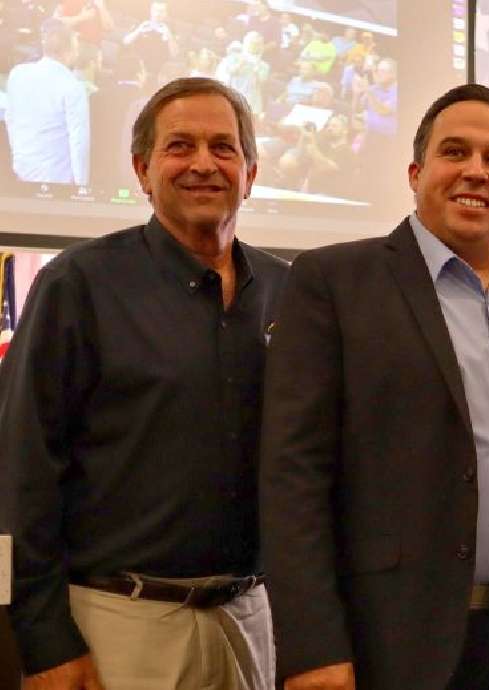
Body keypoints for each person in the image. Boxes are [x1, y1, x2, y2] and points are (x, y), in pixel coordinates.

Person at [261, 83, 489, 690]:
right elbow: (291, 476)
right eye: (454, 152)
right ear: (415, 172)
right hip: (394, 643)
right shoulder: (335, 282)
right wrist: (311, 646)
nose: (476, 172)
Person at [0, 76, 286, 689]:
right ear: (142, 169)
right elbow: (23, 470)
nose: (204, 163)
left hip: (252, 617)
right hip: (118, 624)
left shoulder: (291, 293)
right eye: (180, 146)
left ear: (251, 172)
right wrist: (45, 640)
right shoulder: (77, 285)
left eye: (224, 147)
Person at [5, 18, 90, 186]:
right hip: (58, 182)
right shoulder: (73, 87)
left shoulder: (17, 74)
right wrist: (82, 187)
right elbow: (79, 141)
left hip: (22, 172)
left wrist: (19, 159)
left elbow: (10, 119)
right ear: (70, 51)